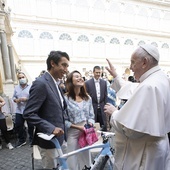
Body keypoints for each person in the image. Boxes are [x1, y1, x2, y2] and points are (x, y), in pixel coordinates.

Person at [104, 44, 170, 170]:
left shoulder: (149, 86)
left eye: (133, 62)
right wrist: (117, 77)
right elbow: (133, 90)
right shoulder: (160, 79)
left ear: (144, 62)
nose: (130, 67)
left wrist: (114, 113)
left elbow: (130, 129)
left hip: (145, 152)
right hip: (157, 148)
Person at [23, 51, 70, 169]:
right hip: (48, 141)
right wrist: (51, 128)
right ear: (52, 63)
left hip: (60, 139)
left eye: (67, 66)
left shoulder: (56, 84)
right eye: (63, 65)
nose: (66, 69)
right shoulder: (41, 83)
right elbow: (29, 113)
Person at [64, 70, 95, 170]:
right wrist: (78, 127)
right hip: (72, 132)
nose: (80, 78)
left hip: (85, 132)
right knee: (72, 160)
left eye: (81, 76)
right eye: (77, 76)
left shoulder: (87, 98)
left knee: (86, 160)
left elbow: (91, 116)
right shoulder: (65, 98)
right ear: (70, 81)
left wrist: (89, 125)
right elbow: (64, 120)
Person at [13, 72, 34, 148]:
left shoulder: (31, 87)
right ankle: (22, 140)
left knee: (31, 126)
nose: (21, 79)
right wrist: (16, 100)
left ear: (26, 77)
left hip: (29, 110)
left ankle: (32, 139)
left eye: (22, 77)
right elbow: (13, 97)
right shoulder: (16, 88)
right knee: (18, 125)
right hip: (19, 110)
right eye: (19, 78)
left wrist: (26, 99)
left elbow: (34, 98)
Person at [85, 66, 107, 131]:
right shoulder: (88, 83)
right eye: (96, 72)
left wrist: (105, 106)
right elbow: (86, 96)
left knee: (103, 125)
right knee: (93, 125)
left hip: (101, 107)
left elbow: (105, 95)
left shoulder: (104, 82)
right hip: (92, 107)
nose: (98, 74)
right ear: (93, 72)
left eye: (99, 72)